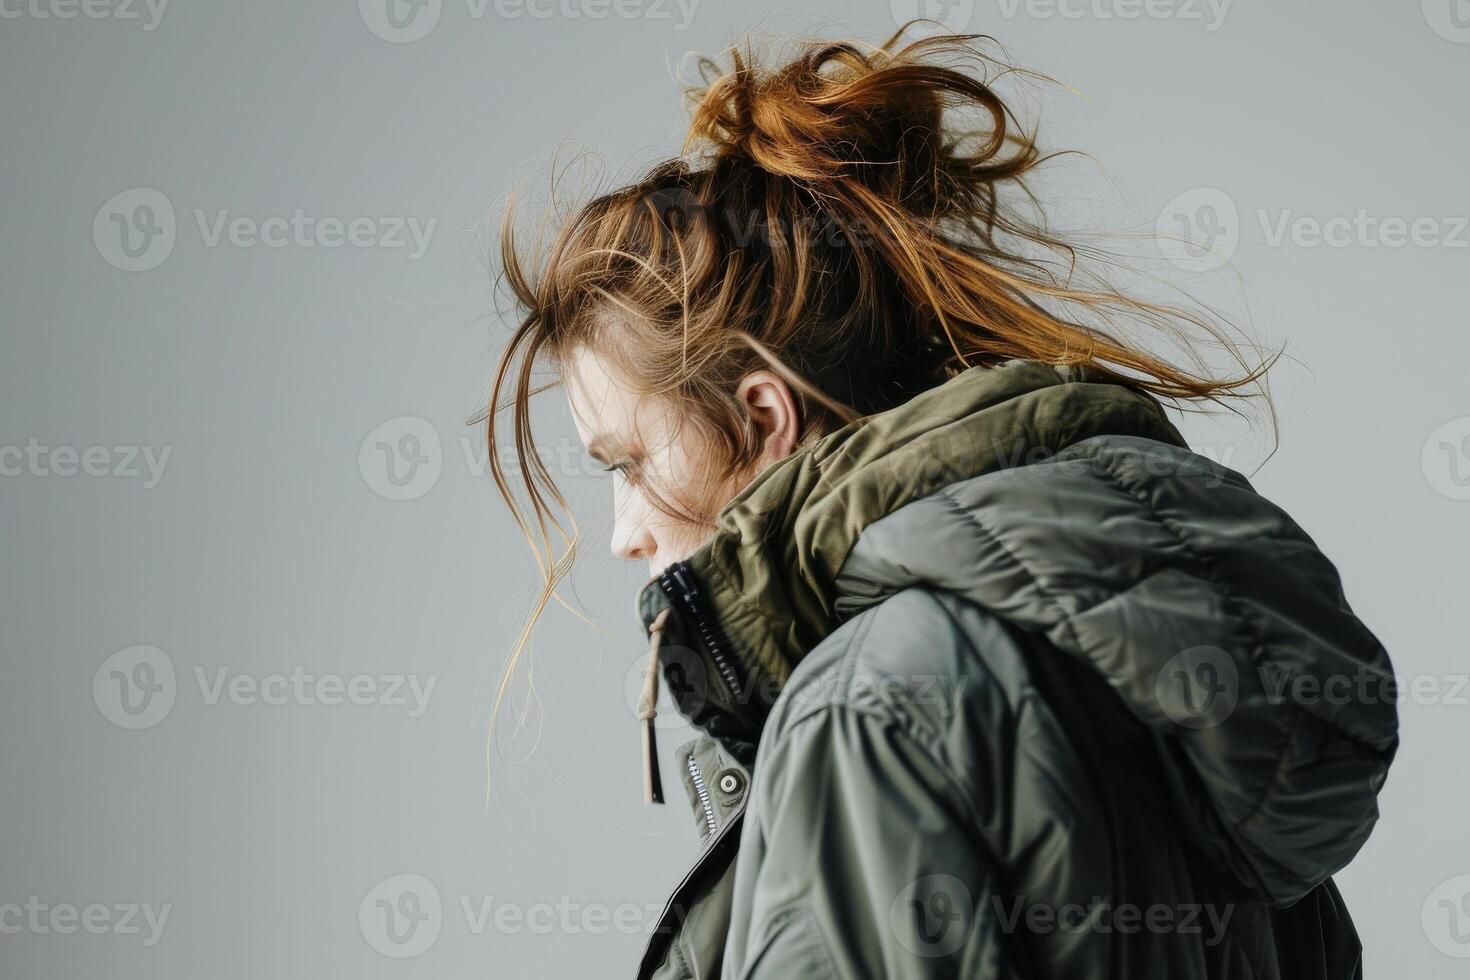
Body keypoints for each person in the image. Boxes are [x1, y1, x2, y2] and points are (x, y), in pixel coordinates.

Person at [485, 28, 1397, 979]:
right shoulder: (1160, 701)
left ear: (761, 421)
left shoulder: (872, 708)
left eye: (625, 463)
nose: (624, 536)